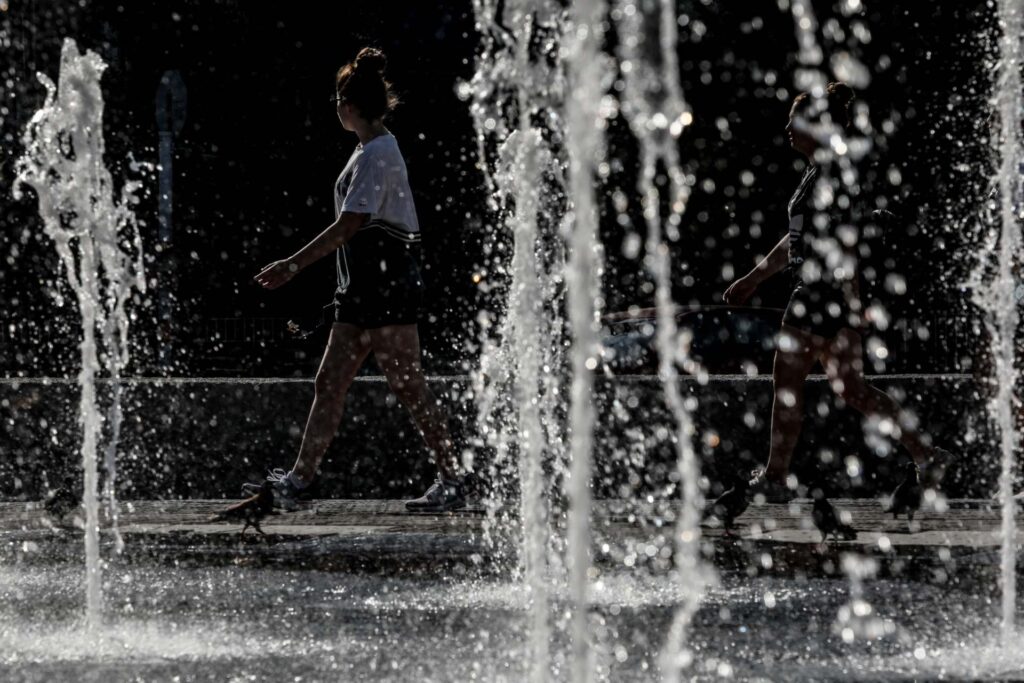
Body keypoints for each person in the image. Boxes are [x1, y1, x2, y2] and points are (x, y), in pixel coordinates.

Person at [249, 47, 467, 512]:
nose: (335, 109)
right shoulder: (367, 150)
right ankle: (300, 480)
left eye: (336, 102)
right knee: (330, 381)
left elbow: (351, 224)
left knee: (408, 384)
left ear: (348, 106)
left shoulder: (379, 153)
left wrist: (291, 265)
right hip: (363, 289)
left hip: (385, 287)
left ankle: (452, 477)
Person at [719, 81, 954, 503]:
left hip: (818, 292)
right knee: (852, 388)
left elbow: (846, 242)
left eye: (794, 122)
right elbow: (796, 242)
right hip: (830, 295)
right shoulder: (818, 172)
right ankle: (926, 454)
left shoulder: (831, 173)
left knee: (788, 378)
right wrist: (753, 280)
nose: (787, 130)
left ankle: (775, 476)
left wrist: (848, 298)